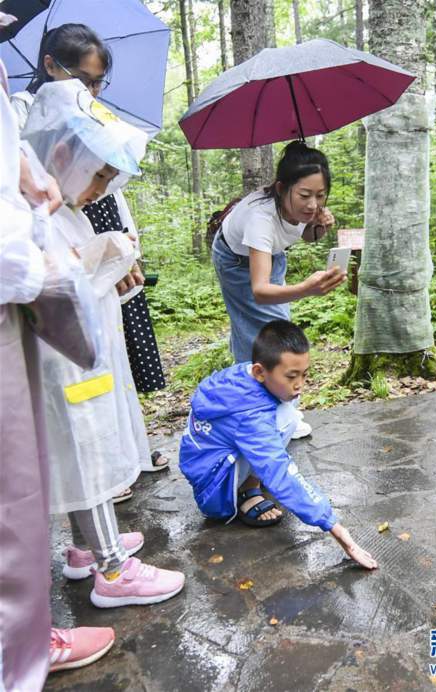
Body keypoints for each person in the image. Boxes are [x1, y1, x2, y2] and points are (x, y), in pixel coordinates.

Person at [21, 78, 185, 608]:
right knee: (84, 451)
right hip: (60, 364)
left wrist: (105, 255)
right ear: (64, 155)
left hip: (76, 359)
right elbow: (47, 289)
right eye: (98, 178)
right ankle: (113, 570)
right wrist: (102, 259)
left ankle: (82, 549)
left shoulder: (59, 206)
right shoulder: (30, 212)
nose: (99, 192)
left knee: (80, 451)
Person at [11, 23, 168, 489]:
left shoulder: (92, 119)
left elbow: (106, 191)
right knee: (81, 376)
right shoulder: (22, 115)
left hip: (92, 227)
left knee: (117, 359)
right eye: (84, 79)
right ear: (50, 66)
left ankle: (129, 454)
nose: (92, 90)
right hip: (59, 238)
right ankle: (99, 487)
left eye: (99, 82)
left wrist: (121, 244)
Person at [0, 50, 113, 688]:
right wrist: (32, 263)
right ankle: (21, 647)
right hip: (19, 286)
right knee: (19, 486)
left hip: (28, 288)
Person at [179, 320, 378, 569]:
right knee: (285, 420)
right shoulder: (249, 416)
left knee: (287, 414)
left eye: (304, 374)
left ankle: (250, 481)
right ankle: (246, 493)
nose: (300, 384)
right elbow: (280, 470)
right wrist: (336, 529)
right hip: (215, 490)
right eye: (291, 376)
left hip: (211, 464)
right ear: (260, 372)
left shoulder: (243, 377)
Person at [212, 141, 347, 439]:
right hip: (236, 261)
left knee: (271, 330)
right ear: (281, 187)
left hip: (270, 255)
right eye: (304, 195)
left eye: (320, 195)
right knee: (264, 335)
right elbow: (260, 290)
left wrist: (318, 228)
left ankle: (273, 405)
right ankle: (265, 414)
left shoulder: (304, 208)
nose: (312, 204)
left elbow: (306, 235)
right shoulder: (260, 218)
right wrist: (306, 289)